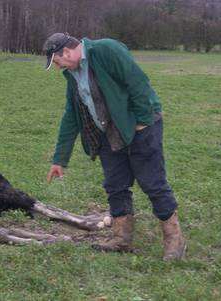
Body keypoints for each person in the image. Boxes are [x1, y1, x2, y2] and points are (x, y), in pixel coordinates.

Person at [43, 33, 186, 260]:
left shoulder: (106, 50)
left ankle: (174, 238)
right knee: (115, 184)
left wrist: (142, 122)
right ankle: (121, 237)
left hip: (141, 125)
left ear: (66, 52)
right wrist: (59, 159)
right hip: (108, 132)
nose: (60, 67)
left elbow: (137, 83)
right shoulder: (73, 75)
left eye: (58, 62)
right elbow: (72, 116)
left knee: (153, 183)